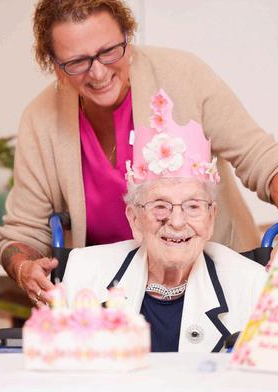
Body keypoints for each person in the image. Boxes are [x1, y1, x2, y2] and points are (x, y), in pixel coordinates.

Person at [0, 0, 278, 304]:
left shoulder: (184, 75)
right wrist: (25, 268)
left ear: (127, 37)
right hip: (111, 299)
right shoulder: (40, 119)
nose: (98, 73)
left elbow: (268, 161)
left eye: (109, 50)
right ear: (55, 65)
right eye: (77, 62)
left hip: (218, 287)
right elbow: (21, 234)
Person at [60, 89, 267, 352]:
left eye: (193, 206)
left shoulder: (251, 285)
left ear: (211, 217)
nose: (177, 222)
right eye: (160, 205)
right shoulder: (83, 272)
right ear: (135, 219)